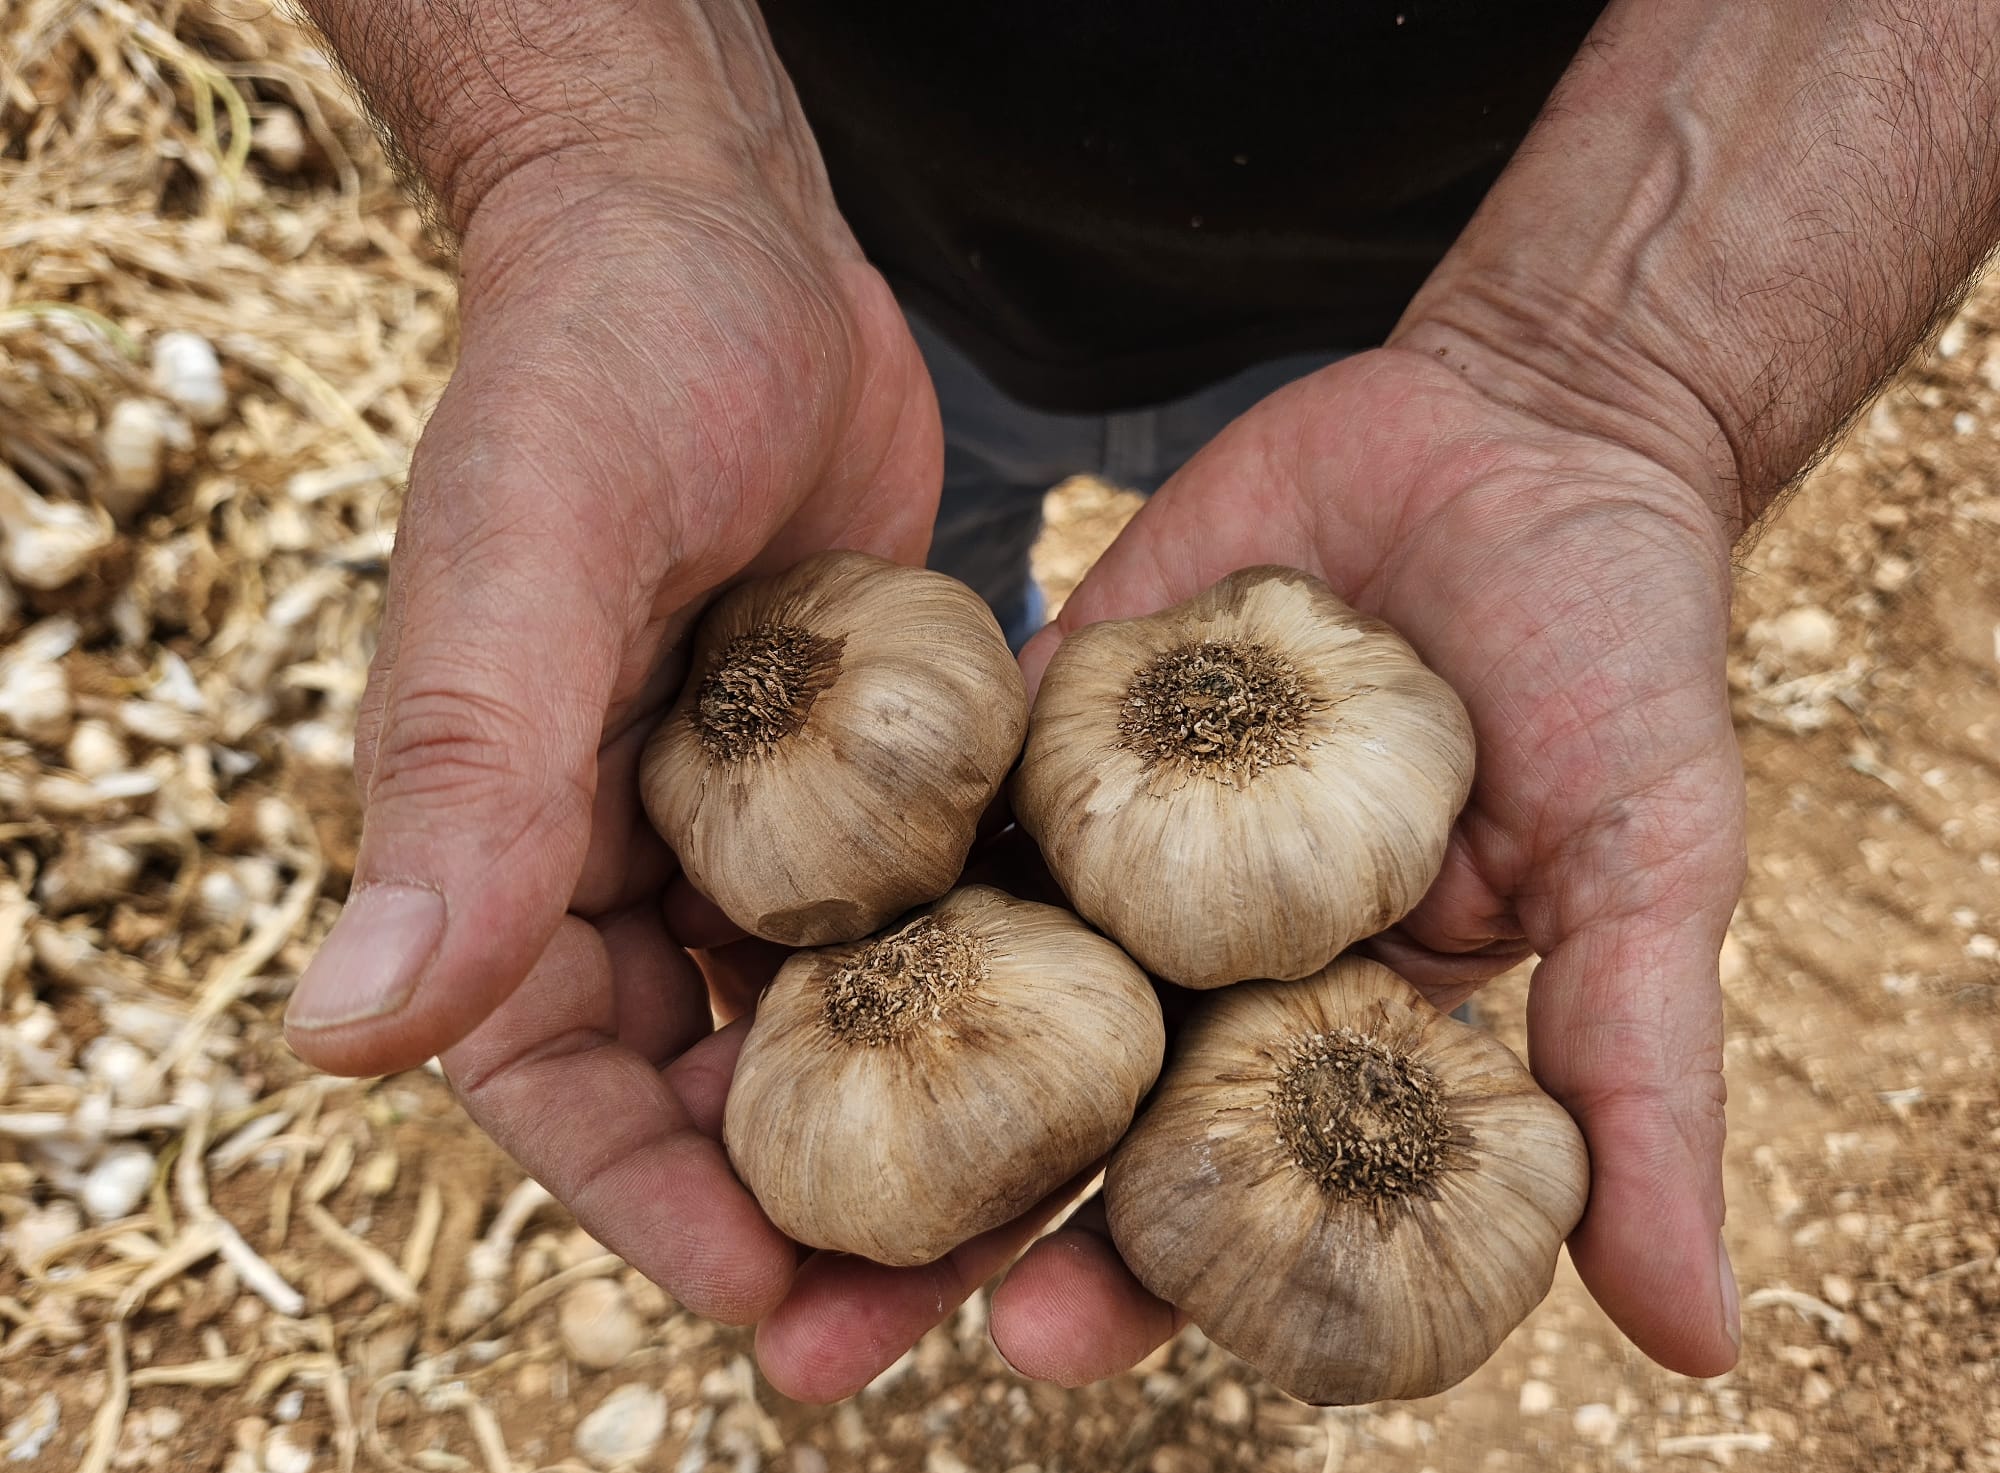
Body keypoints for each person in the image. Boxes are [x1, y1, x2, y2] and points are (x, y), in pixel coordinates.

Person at [281, 1, 2000, 1402]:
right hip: (833, 256)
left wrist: (1624, 364)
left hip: (1474, 265)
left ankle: (1012, 717)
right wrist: (612, 159)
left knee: (969, 656)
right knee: (929, 606)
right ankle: (998, 700)